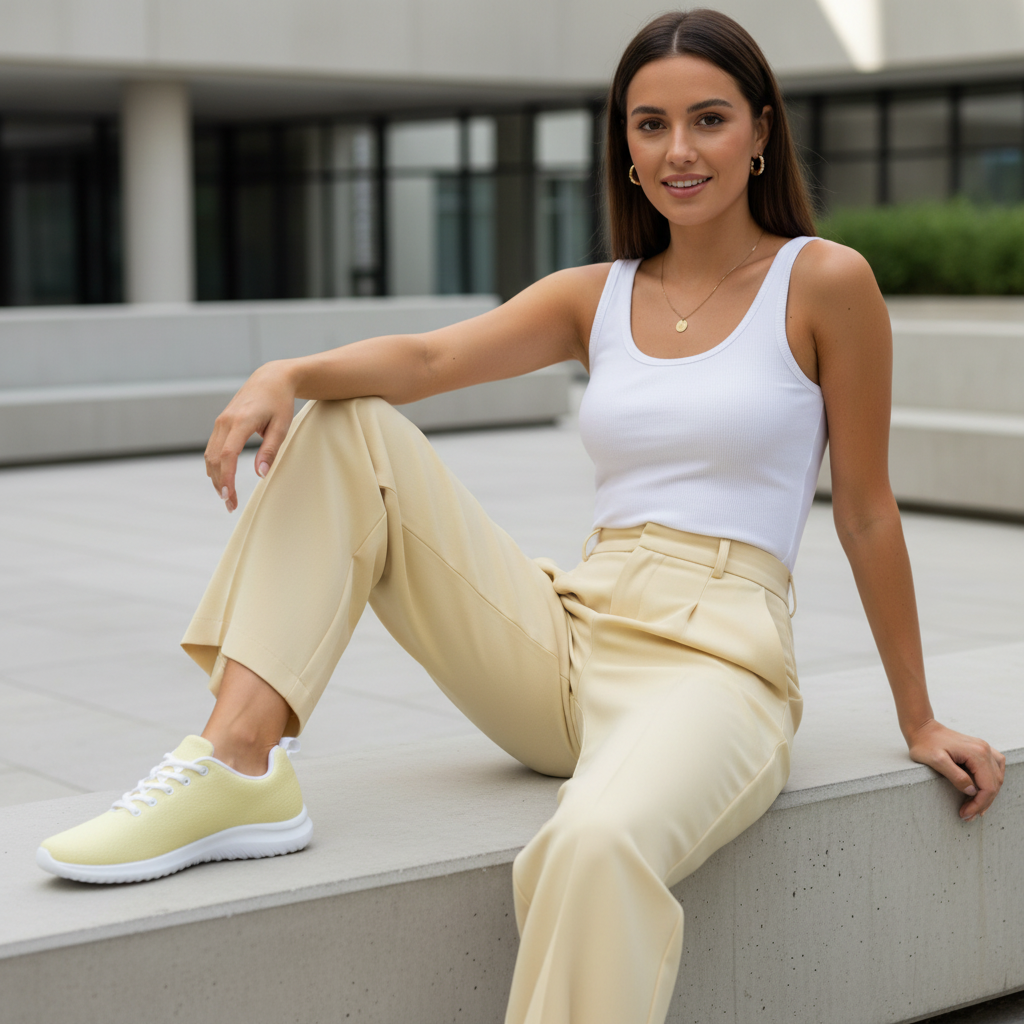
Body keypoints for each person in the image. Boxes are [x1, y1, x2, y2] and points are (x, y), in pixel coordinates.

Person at [37, 9, 1005, 1023]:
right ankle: (238, 758)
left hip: (717, 660)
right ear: (623, 147)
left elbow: (866, 511)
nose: (678, 150)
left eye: (709, 119)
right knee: (345, 421)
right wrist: (287, 370)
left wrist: (918, 716)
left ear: (761, 131)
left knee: (593, 844)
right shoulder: (597, 296)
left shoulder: (825, 281)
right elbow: (428, 360)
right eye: (650, 125)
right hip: (570, 638)